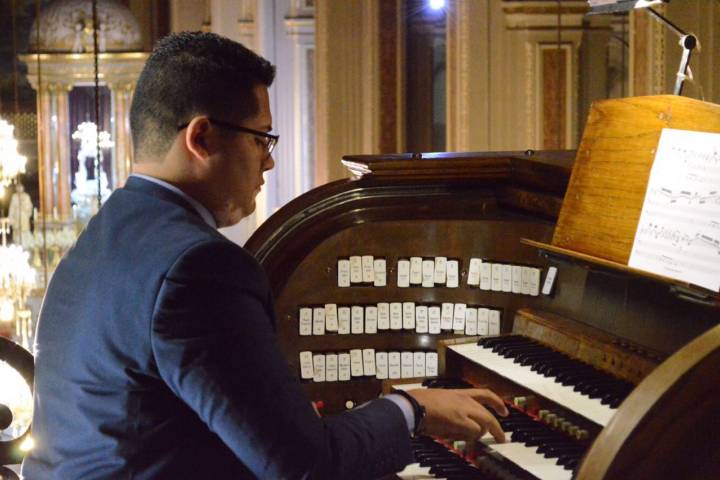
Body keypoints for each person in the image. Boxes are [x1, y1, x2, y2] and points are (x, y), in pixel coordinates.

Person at [22, 32, 507, 480]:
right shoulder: (200, 267)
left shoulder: (103, 235)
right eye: (261, 138)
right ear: (202, 138)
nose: (269, 161)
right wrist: (413, 408)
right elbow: (306, 467)